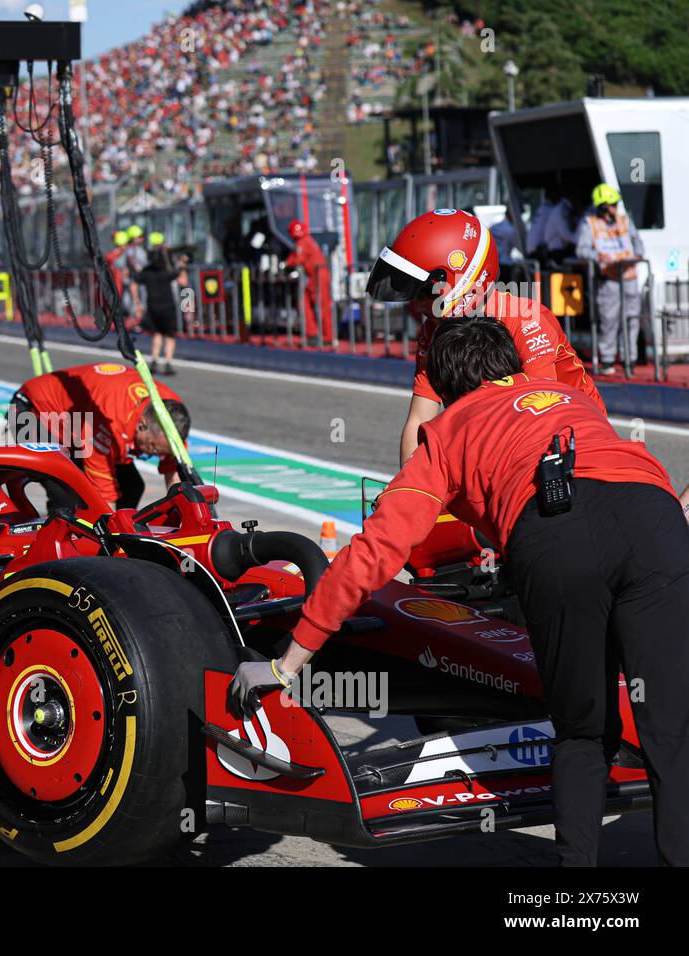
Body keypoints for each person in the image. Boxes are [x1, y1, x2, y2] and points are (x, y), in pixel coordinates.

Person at [229, 317, 689, 867]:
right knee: (671, 726)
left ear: (446, 391)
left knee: (583, 733)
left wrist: (286, 664)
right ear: (512, 364)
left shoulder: (448, 431)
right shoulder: (571, 398)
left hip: (557, 539)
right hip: (655, 518)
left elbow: (376, 551)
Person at [366, 208, 604, 466]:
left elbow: (538, 412)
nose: (417, 304)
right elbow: (419, 419)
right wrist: (409, 486)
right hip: (498, 434)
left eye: (423, 292)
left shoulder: (526, 319)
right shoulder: (433, 330)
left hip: (575, 440)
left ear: (461, 279)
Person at [11, 362, 189, 509]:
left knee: (132, 487)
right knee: (67, 495)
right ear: (142, 425)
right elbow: (103, 496)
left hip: (80, 421)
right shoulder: (111, 420)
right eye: (152, 448)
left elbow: (174, 473)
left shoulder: (172, 418)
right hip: (35, 411)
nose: (152, 455)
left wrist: (182, 515)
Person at [576, 184, 645, 375]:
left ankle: (629, 358)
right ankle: (607, 359)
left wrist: (638, 255)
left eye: (615, 204)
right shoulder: (589, 223)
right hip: (608, 279)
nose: (615, 208)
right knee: (609, 320)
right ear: (603, 206)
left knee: (631, 319)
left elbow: (638, 242)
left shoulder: (624, 221)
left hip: (629, 276)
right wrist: (598, 257)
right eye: (611, 205)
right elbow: (582, 249)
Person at [132, 233, 185, 375]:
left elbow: (135, 280)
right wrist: (182, 266)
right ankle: (168, 362)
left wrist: (137, 303)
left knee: (156, 334)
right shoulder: (167, 271)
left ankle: (154, 360)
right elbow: (182, 281)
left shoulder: (147, 272)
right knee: (170, 335)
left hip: (152, 306)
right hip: (167, 306)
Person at [283, 219, 329, 342]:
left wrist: (285, 265)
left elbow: (297, 259)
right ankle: (314, 333)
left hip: (317, 275)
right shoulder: (306, 241)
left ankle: (325, 336)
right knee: (305, 301)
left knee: (321, 305)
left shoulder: (303, 242)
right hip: (316, 275)